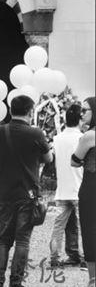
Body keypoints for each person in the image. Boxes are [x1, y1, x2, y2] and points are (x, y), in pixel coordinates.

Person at [0, 95, 52, 287]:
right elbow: (48, 158)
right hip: (28, 192)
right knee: (22, 240)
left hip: (6, 191)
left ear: (11, 110)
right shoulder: (36, 133)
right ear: (30, 111)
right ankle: (15, 285)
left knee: (4, 239)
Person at [49, 104, 84, 268]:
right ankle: (84, 257)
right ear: (80, 120)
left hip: (62, 190)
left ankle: (56, 258)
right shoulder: (83, 138)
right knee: (84, 227)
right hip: (80, 188)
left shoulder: (57, 139)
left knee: (60, 227)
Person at [72, 96, 96, 287]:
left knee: (90, 231)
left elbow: (74, 160)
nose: (82, 113)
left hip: (91, 187)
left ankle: (93, 282)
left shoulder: (89, 136)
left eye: (85, 110)